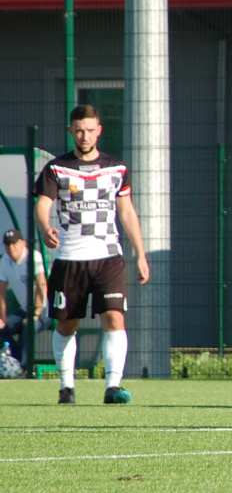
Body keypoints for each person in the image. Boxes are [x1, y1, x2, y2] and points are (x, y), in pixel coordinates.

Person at [35, 104, 150, 405]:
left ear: (99, 131)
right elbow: (43, 204)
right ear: (71, 131)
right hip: (70, 258)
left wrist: (140, 253)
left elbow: (126, 211)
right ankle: (66, 386)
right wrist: (45, 226)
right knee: (66, 324)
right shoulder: (56, 169)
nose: (84, 136)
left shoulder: (117, 169)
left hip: (108, 257)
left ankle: (113, 386)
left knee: (114, 317)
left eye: (89, 130)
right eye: (78, 131)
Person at [0, 228, 48, 367]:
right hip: (24, 309)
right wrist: (2, 319)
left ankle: (26, 367)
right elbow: (0, 292)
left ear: (23, 243)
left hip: (44, 310)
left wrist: (37, 313)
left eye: (14, 243)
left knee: (29, 325)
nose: (11, 247)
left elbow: (42, 285)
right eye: (7, 244)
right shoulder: (5, 260)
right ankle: (17, 363)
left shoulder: (34, 256)